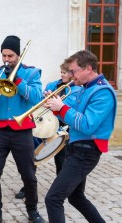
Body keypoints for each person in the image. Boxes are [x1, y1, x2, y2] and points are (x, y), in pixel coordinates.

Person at [30, 50, 118, 223]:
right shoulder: (85, 89)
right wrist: (55, 108)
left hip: (86, 151)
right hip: (76, 148)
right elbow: (72, 120)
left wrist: (63, 108)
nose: (71, 75)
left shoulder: (103, 93)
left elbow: (87, 125)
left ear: (89, 68)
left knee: (53, 198)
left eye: (74, 71)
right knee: (76, 197)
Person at [0, 35, 46, 223]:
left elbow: (35, 98)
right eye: (4, 55)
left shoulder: (31, 73)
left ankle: (32, 211)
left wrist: (17, 79)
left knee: (28, 174)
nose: (7, 59)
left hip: (22, 130)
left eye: (10, 55)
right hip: (0, 130)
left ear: (18, 55)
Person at [15, 61, 79, 199]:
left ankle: (61, 189)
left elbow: (69, 105)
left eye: (65, 72)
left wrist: (53, 102)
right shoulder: (52, 85)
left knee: (61, 161)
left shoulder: (76, 89)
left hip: (63, 127)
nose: (62, 75)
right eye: (61, 72)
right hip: (44, 124)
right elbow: (40, 100)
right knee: (32, 156)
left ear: (72, 74)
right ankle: (27, 186)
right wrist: (44, 99)